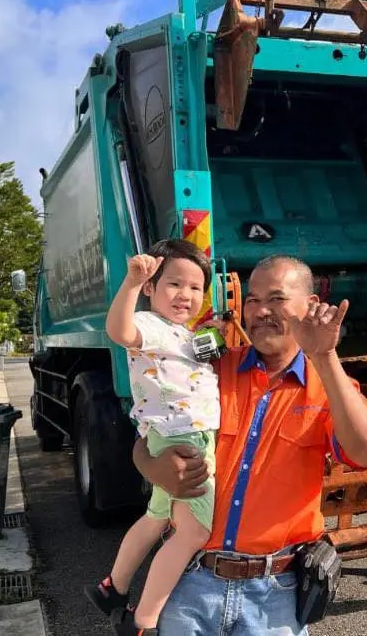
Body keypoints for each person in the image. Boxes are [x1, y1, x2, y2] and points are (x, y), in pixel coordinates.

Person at [131, 255, 367, 635]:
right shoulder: (210, 370)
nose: (261, 311)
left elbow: (366, 455)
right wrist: (153, 467)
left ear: (310, 306)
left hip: (274, 596)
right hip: (191, 582)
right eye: (252, 299)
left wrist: (325, 356)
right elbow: (144, 440)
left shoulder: (329, 386)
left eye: (277, 299)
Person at [84, 238, 222, 636]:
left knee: (156, 517)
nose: (186, 295)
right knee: (194, 531)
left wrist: (210, 336)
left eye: (196, 287)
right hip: (183, 439)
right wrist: (129, 283)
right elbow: (119, 329)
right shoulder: (148, 324)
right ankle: (142, 622)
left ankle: (113, 587)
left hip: (174, 435)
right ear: (151, 289)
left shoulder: (180, 333)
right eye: (175, 284)